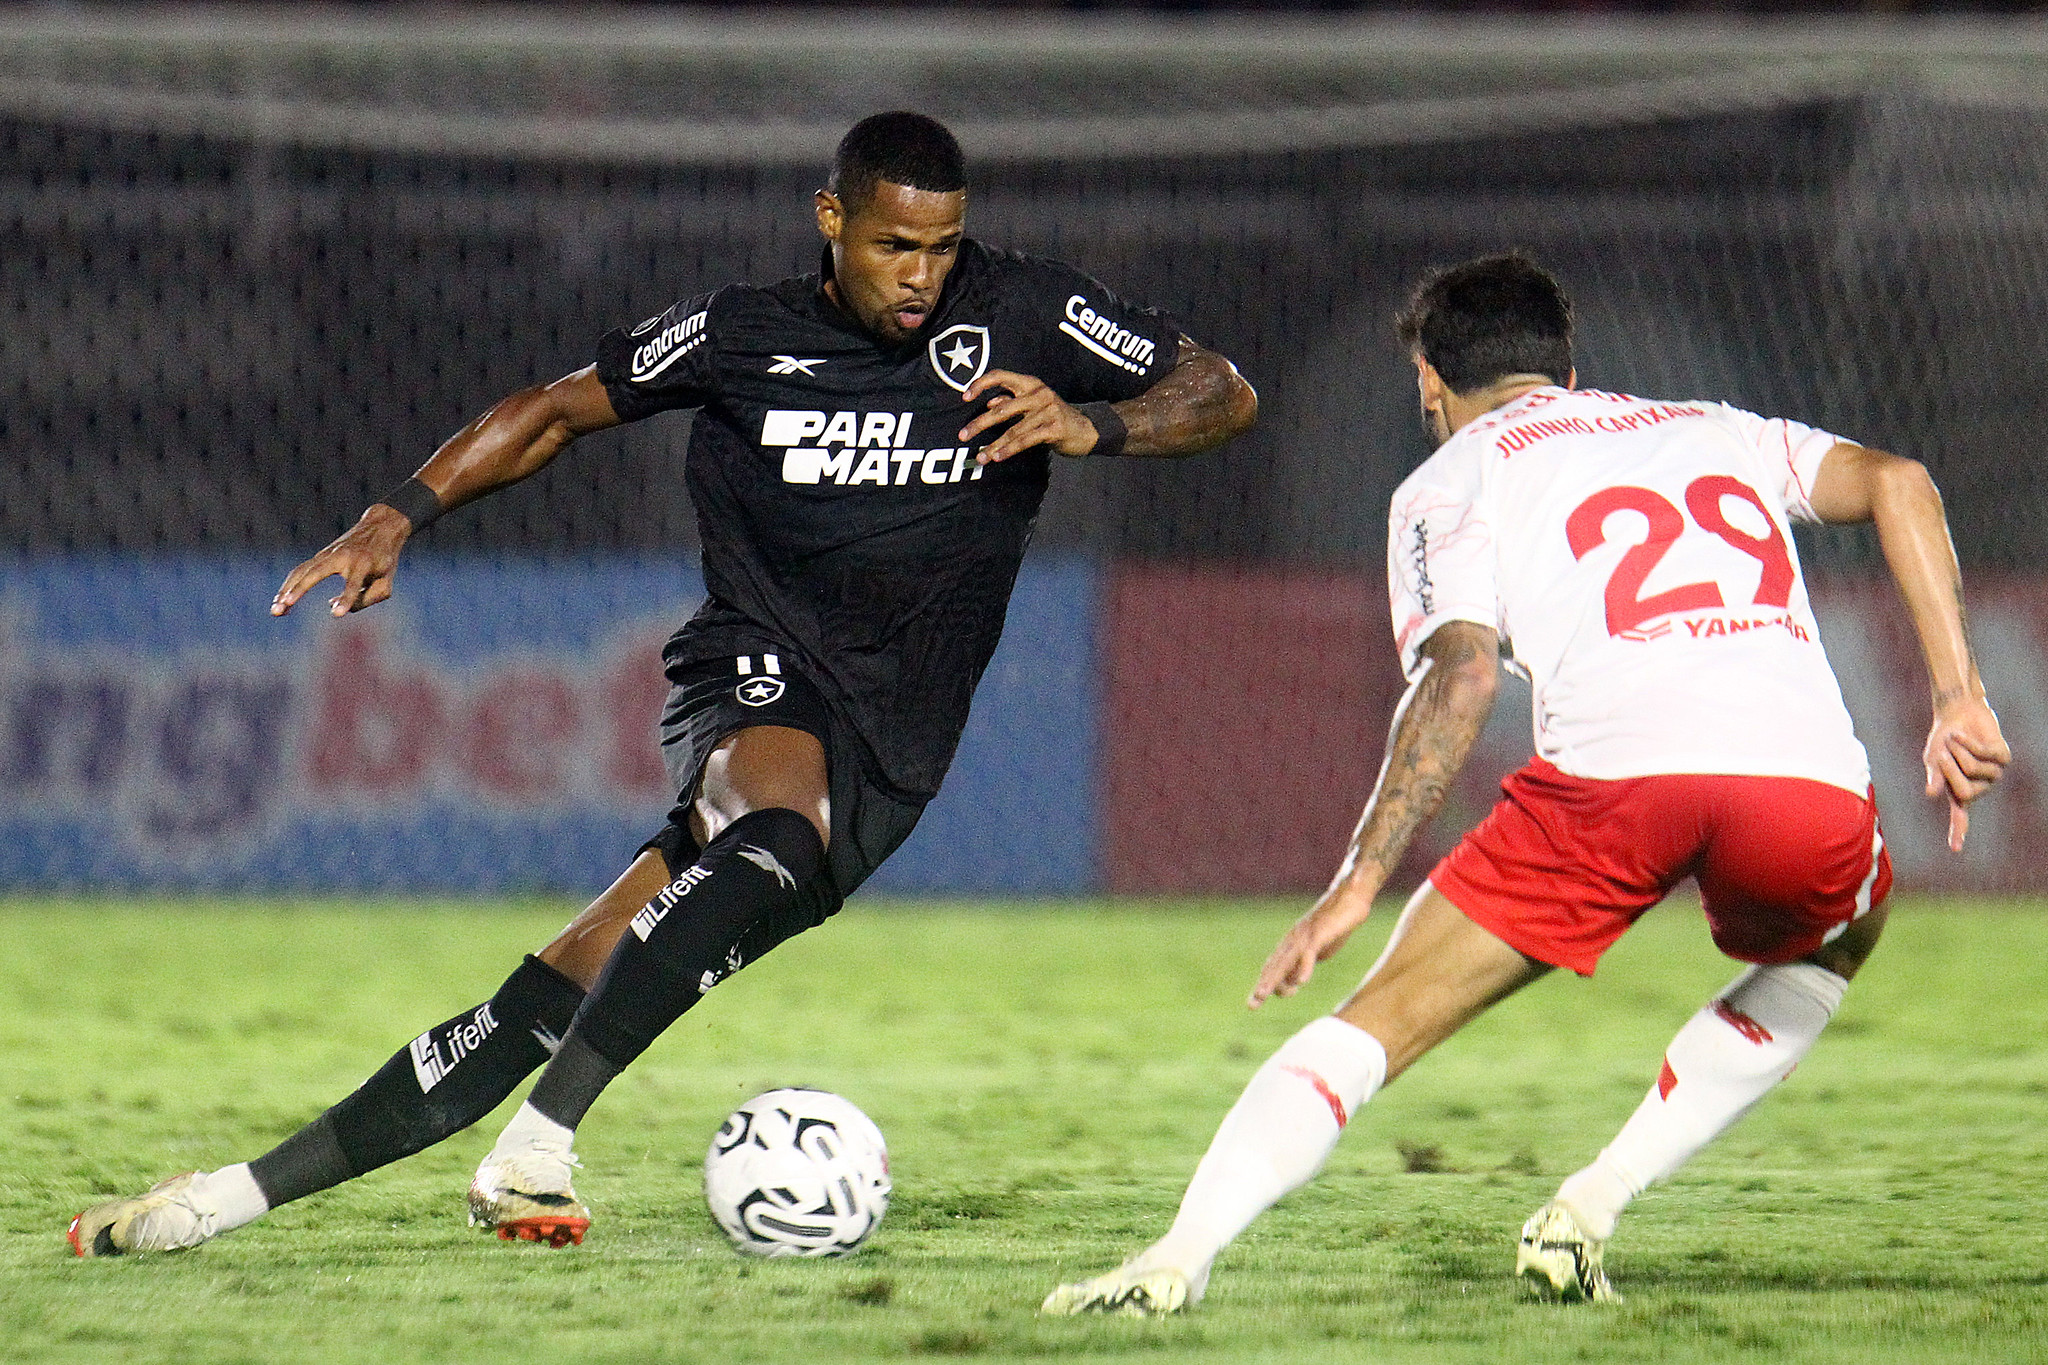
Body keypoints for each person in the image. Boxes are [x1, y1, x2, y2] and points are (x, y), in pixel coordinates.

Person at [70, 110, 1257, 1257]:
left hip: (897, 746)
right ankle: (536, 1149)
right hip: (755, 669)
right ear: (830, 219)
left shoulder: (1027, 312)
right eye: (894, 245)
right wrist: (402, 510)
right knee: (774, 822)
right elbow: (549, 412)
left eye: (942, 248)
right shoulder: (739, 333)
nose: (921, 275)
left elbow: (1219, 388)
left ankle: (220, 1202)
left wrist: (1096, 427)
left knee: (539, 1002)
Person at [1042, 253, 2008, 1315]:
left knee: (1376, 1024)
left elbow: (1458, 676)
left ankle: (1175, 1258)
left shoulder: (1448, 479)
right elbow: (1899, 482)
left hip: (1610, 791)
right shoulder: (1710, 426)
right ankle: (1593, 1201)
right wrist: (1955, 697)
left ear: (1427, 383)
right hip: (1799, 782)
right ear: (1567, 364)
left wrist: (1359, 879)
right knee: (1836, 940)